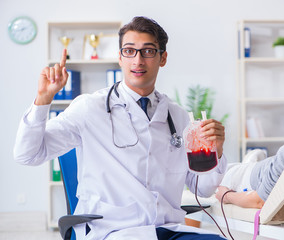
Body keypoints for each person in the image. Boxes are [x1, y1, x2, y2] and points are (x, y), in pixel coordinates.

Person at [14, 16, 228, 240]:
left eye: (148, 51)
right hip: (111, 230)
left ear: (162, 58)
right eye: (129, 51)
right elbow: (28, 154)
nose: (138, 61)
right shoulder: (90, 108)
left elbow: (202, 188)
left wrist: (217, 151)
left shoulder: (179, 117)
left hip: (167, 228)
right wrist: (42, 100)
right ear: (120, 58)